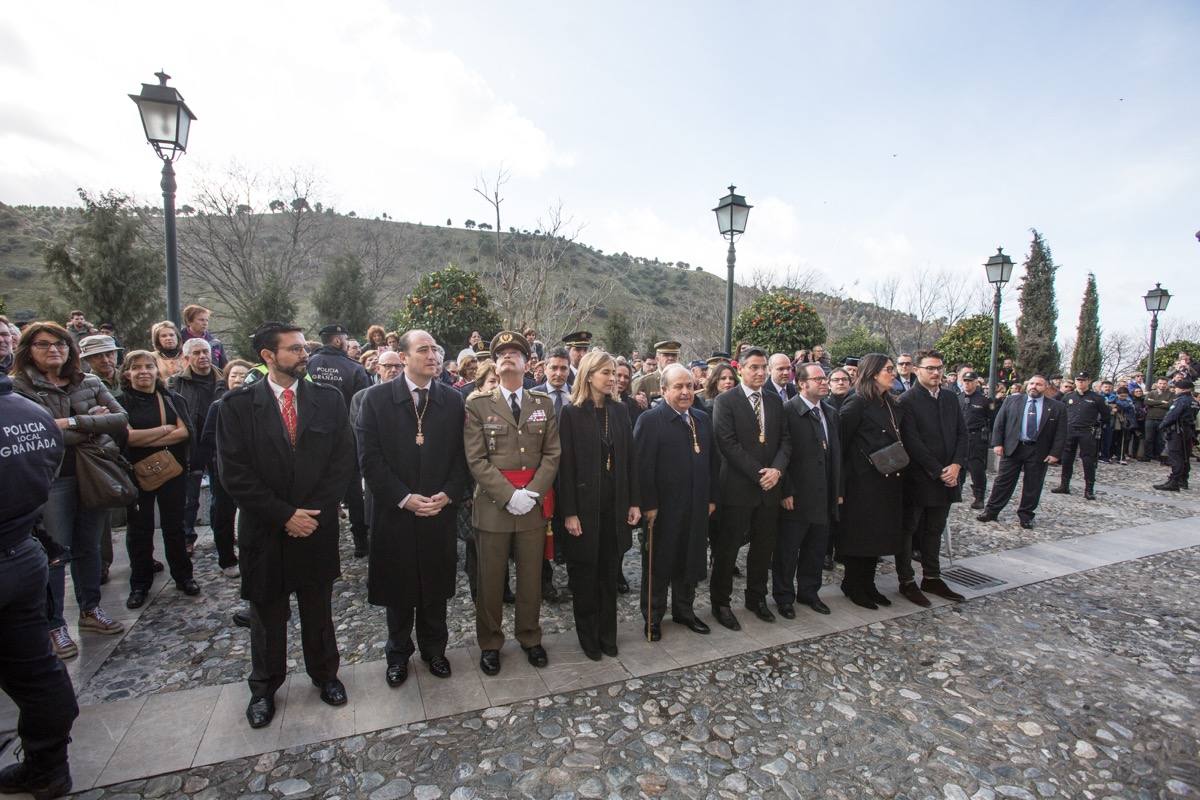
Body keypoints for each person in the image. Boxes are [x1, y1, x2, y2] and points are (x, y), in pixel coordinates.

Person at [216, 322, 356, 729]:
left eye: (303, 348)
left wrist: (311, 512)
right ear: (268, 356)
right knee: (267, 613)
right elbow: (235, 474)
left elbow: (342, 461)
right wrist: (284, 515)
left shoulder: (328, 399)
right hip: (265, 529)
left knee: (318, 608)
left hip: (316, 524)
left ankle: (325, 675)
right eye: (294, 349)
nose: (303, 354)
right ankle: (264, 688)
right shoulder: (237, 406)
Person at [11, 322, 128, 659]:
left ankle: (90, 609)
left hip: (92, 473)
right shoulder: (20, 388)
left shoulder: (87, 381)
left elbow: (119, 418)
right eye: (44, 344)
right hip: (51, 478)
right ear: (28, 350)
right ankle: (54, 624)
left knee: (88, 545)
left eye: (61, 344)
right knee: (55, 553)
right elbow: (37, 433)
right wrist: (90, 421)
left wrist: (72, 422)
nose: (54, 350)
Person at [357, 329, 467, 686]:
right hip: (396, 511)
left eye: (435, 349)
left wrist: (448, 494)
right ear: (403, 357)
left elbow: (462, 456)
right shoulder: (375, 399)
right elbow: (369, 458)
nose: (432, 356)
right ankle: (398, 654)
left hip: (438, 509)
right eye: (423, 350)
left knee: (435, 586)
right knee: (399, 588)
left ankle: (435, 651)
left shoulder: (452, 400)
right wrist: (404, 498)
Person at [0, 373, 79, 800]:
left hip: (14, 549)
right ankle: (49, 768)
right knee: (37, 671)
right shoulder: (32, 413)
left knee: (34, 671)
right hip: (23, 551)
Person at [463, 331, 560, 676]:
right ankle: (490, 643)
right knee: (490, 580)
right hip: (493, 507)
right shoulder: (478, 404)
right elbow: (476, 459)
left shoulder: (542, 404)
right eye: (501, 353)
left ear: (527, 362)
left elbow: (552, 453)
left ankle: (530, 636)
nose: (507, 356)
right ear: (494, 363)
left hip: (531, 505)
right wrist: (509, 495)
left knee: (531, 577)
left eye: (514, 352)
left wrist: (531, 493)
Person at [558, 351, 640, 659]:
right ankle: (588, 635)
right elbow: (565, 467)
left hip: (614, 507)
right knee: (585, 575)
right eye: (606, 372)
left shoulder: (619, 411)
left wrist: (634, 501)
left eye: (614, 372)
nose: (612, 378)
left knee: (608, 573)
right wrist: (569, 512)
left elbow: (630, 460)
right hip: (584, 508)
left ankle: (608, 634)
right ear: (589, 375)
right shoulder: (571, 413)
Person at [634, 363, 717, 640]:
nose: (685, 392)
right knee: (659, 565)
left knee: (689, 560)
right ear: (663, 390)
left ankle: (684, 610)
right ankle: (653, 617)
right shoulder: (650, 420)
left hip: (696, 505)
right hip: (663, 510)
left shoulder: (701, 419)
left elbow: (713, 462)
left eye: (689, 386)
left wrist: (711, 498)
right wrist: (648, 505)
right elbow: (642, 467)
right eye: (678, 386)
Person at [710, 347, 790, 628]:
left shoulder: (775, 400)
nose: (760, 372)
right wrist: (760, 474)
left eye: (763, 367)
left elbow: (785, 440)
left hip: (770, 489)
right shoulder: (726, 401)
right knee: (728, 549)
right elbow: (727, 444)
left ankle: (756, 598)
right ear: (740, 369)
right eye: (754, 367)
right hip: (738, 488)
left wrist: (777, 470)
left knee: (763, 548)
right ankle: (720, 603)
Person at [119, 351, 199, 608]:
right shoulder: (120, 403)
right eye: (137, 367)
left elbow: (184, 433)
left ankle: (183, 576)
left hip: (172, 471)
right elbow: (127, 438)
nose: (143, 371)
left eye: (148, 366)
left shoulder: (172, 399)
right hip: (135, 473)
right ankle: (140, 583)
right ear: (127, 373)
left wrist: (145, 437)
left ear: (157, 370)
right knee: (139, 530)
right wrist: (165, 431)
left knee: (174, 526)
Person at [896, 350, 968, 607]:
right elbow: (912, 442)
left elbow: (962, 434)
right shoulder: (906, 400)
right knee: (909, 530)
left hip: (949, 476)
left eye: (939, 368)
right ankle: (906, 580)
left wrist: (956, 465)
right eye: (930, 368)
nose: (936, 373)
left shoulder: (950, 398)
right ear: (917, 370)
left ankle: (932, 576)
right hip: (919, 477)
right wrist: (938, 471)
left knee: (934, 529)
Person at [837, 353, 905, 609]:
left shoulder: (888, 402)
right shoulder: (856, 402)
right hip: (861, 482)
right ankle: (854, 584)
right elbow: (841, 442)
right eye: (888, 369)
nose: (893, 373)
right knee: (860, 536)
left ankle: (868, 583)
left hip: (886, 478)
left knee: (877, 536)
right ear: (874, 373)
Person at [774, 362, 840, 617]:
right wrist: (785, 490)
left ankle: (809, 592)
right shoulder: (788, 411)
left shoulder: (830, 412)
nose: (824, 383)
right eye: (818, 379)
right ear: (802, 384)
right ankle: (784, 596)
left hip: (823, 494)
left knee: (816, 548)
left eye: (825, 378)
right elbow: (781, 454)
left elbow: (836, 454)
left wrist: (838, 489)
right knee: (788, 550)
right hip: (797, 494)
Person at [307, 323, 372, 557]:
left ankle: (319, 539)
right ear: (337, 340)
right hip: (346, 436)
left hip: (313, 437)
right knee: (353, 490)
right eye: (345, 339)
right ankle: (361, 541)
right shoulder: (354, 368)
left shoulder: (308, 364)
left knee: (316, 487)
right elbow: (364, 405)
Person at [978, 375, 1067, 529]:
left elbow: (1061, 432)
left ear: (1046, 387)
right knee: (1003, 481)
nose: (1034, 386)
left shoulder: (1057, 407)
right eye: (1031, 383)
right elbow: (1000, 422)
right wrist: (997, 443)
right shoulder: (1012, 400)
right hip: (1013, 447)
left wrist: (1055, 453)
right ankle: (991, 511)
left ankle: (1026, 515)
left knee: (1033, 484)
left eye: (1038, 384)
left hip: (1038, 450)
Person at [195, 359, 253, 580]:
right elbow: (208, 438)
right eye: (234, 375)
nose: (238, 379)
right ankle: (227, 559)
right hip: (224, 469)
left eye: (243, 375)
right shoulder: (218, 406)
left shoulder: (257, 405)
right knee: (223, 514)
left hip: (253, 469)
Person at [170, 337, 225, 553]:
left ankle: (220, 534)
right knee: (189, 496)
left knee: (220, 495)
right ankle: (187, 537)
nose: (202, 356)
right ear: (186, 358)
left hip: (217, 444)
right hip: (191, 445)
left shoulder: (223, 378)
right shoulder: (176, 383)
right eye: (196, 353)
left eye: (205, 351)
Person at [79, 333, 124, 584]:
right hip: (100, 454)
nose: (106, 360)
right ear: (87, 359)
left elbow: (121, 417)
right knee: (101, 512)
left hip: (129, 448)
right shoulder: (83, 383)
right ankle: (102, 562)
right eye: (98, 356)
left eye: (109, 354)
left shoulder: (127, 378)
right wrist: (94, 419)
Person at [532, 347, 573, 600]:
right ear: (544, 368)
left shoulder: (577, 395)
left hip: (571, 471)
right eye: (554, 368)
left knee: (571, 522)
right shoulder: (532, 396)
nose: (558, 373)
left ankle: (574, 577)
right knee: (541, 527)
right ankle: (544, 582)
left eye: (563, 368)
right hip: (541, 471)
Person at [1052, 372, 1110, 500]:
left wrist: (1097, 425)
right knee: (1067, 459)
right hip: (1070, 430)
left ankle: (1089, 489)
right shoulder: (1068, 396)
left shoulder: (1096, 398)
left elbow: (1106, 415)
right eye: (1078, 380)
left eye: (1083, 380)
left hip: (1086, 431)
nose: (1080, 382)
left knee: (1088, 460)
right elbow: (1061, 413)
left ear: (1088, 381)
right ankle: (1064, 485)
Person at [1153, 379, 1197, 491]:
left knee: (1176, 456)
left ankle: (1174, 482)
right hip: (1188, 431)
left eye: (1176, 387)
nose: (1175, 389)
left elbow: (1172, 416)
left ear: (1182, 389)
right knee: (1185, 456)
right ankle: (1183, 480)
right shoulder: (1194, 401)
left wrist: (1162, 426)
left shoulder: (1181, 400)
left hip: (1177, 431)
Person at [958, 371, 991, 509]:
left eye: (970, 381)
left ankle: (979, 497)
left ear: (976, 382)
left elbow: (991, 419)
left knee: (976, 468)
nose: (967, 384)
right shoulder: (957, 398)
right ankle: (957, 491)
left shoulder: (984, 400)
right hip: (960, 436)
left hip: (976, 437)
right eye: (965, 381)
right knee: (958, 465)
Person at [180, 304, 228, 370]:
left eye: (207, 320)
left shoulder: (216, 343)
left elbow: (224, 368)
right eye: (201, 320)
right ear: (189, 322)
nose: (205, 323)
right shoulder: (178, 342)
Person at [1144, 377, 1172, 463]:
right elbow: (1146, 402)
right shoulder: (1151, 393)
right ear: (1157, 384)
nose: (1162, 385)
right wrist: (1162, 402)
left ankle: (1159, 456)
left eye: (1164, 384)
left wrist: (1154, 403)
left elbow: (1169, 405)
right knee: (1148, 438)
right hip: (1150, 418)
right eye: (1160, 383)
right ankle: (1148, 456)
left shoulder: (1171, 394)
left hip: (1163, 419)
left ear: (1167, 384)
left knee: (1161, 439)